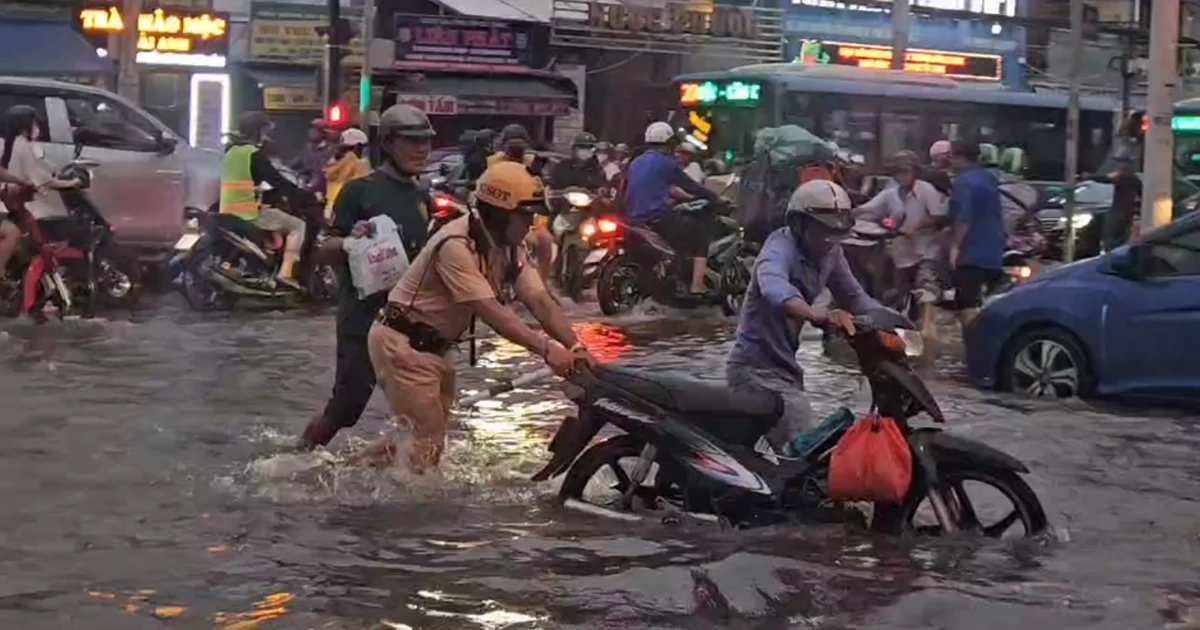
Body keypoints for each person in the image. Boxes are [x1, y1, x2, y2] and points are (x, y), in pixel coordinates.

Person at [363, 160, 592, 471]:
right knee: (426, 439)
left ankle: (341, 471)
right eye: (524, 216)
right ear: (499, 214)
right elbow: (492, 311)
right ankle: (412, 512)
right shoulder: (455, 245)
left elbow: (539, 299)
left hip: (435, 348)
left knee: (423, 436)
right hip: (402, 344)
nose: (531, 224)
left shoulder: (510, 247)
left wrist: (575, 345)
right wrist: (547, 349)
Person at [299, 104, 436, 451]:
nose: (422, 149)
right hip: (362, 319)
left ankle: (404, 474)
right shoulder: (359, 191)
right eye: (412, 141)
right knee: (347, 407)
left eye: (426, 142)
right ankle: (298, 457)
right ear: (388, 143)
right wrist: (351, 241)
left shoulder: (421, 195)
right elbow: (323, 248)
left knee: (423, 411)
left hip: (407, 322)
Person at [726, 180, 879, 456]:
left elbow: (856, 298)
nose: (828, 241)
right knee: (804, 457)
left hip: (786, 369)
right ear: (799, 224)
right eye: (822, 232)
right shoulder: (778, 249)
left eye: (835, 233)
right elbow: (774, 288)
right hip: (756, 371)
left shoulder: (831, 253)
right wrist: (814, 313)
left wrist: (898, 325)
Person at [854, 151, 946, 340]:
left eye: (906, 171)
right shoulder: (890, 195)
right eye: (898, 172)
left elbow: (940, 218)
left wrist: (918, 227)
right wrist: (848, 213)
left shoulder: (926, 190)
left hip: (926, 251)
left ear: (915, 172)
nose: (902, 176)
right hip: (901, 254)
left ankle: (930, 335)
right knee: (900, 296)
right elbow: (867, 210)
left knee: (925, 292)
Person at [220, 112, 315, 290]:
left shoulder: (230, 151)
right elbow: (277, 180)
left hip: (227, 209)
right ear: (257, 131)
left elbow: (246, 180)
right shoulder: (253, 154)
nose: (266, 136)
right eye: (264, 131)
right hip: (247, 212)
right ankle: (285, 275)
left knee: (275, 220)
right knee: (298, 225)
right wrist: (304, 196)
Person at [623, 121, 719, 296]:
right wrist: (713, 197)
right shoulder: (666, 164)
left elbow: (654, 188)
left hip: (633, 220)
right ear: (669, 143)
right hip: (657, 218)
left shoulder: (636, 162)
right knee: (699, 235)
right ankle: (697, 286)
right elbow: (690, 186)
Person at [947, 140, 1006, 329]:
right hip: (994, 249)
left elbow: (963, 217)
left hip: (971, 252)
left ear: (960, 157)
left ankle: (974, 343)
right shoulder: (989, 178)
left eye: (952, 156)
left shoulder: (963, 182)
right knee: (989, 303)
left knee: (967, 302)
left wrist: (955, 247)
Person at [2, 105, 80, 222]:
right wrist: (73, 182)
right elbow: (43, 180)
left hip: (10, 199)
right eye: (34, 123)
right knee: (61, 225)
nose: (37, 127)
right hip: (27, 201)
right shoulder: (25, 147)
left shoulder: (9, 144)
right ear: (25, 125)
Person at [1088, 153, 1140, 252]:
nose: (1119, 166)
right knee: (1123, 235)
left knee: (1109, 237)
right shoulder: (1135, 180)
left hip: (1118, 211)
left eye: (1122, 164)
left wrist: (1089, 176)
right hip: (1128, 213)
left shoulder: (1124, 177)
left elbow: (1106, 178)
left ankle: (1111, 253)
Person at [324, 127, 371, 217]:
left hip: (330, 207)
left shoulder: (333, 162)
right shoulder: (359, 163)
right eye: (363, 147)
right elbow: (364, 189)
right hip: (349, 210)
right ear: (357, 146)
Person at [290, 118, 333, 194]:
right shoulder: (307, 148)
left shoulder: (329, 151)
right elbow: (294, 164)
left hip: (322, 192)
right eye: (310, 129)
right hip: (305, 188)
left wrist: (310, 186)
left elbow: (322, 174)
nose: (311, 132)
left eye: (314, 130)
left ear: (323, 132)